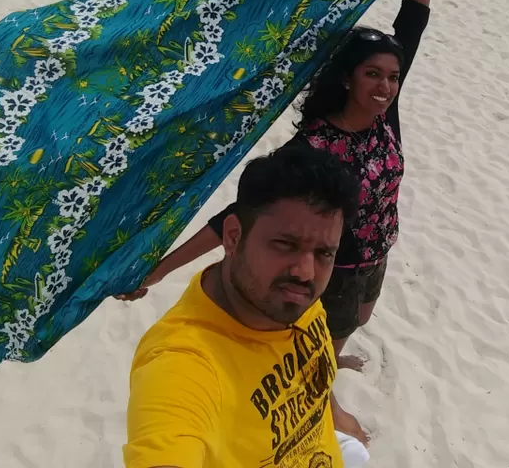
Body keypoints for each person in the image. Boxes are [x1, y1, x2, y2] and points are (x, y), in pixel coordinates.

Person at [118, 0, 459, 372]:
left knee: (359, 318)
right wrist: (159, 271)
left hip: (379, 252)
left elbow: (412, 23)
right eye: (372, 75)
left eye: (393, 77)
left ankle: (334, 356)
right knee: (329, 335)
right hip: (332, 268)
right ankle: (329, 396)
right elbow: (237, 215)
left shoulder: (385, 116)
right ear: (347, 79)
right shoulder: (315, 148)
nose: (384, 87)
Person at [124, 144, 372, 468]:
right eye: (285, 245)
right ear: (232, 236)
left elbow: (308, 366)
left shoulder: (284, 297)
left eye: (324, 253)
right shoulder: (184, 361)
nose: (305, 273)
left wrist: (333, 413)